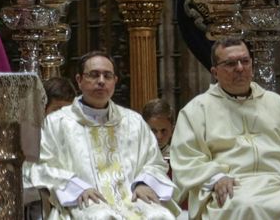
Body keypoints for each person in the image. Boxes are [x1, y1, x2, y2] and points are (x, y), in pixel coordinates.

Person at [169, 38, 280, 219]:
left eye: (245, 61)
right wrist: (216, 178)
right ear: (215, 72)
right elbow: (187, 158)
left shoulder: (276, 103)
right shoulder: (197, 110)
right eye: (230, 63)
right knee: (244, 207)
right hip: (234, 186)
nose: (240, 68)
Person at [29, 51, 181, 218]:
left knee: (160, 216)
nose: (101, 81)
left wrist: (143, 183)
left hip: (132, 197)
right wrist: (77, 188)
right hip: (84, 199)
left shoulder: (133, 122)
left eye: (107, 76)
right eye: (94, 75)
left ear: (115, 81)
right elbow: (43, 166)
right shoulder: (57, 123)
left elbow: (154, 162)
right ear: (79, 80)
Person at [140, 99, 176, 174]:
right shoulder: (135, 157)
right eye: (153, 130)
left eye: (163, 130)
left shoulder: (179, 158)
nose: (159, 137)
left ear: (172, 131)